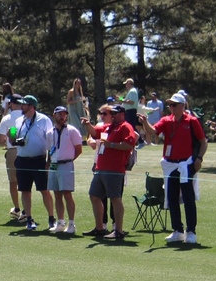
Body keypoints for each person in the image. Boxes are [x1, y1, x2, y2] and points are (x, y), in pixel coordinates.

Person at [141, 92, 206, 243]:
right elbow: (153, 131)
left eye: (174, 105)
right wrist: (144, 122)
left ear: (182, 106)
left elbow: (203, 141)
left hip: (186, 163)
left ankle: (191, 231)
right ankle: (177, 230)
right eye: (170, 105)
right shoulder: (166, 120)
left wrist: (199, 158)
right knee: (172, 197)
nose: (171, 107)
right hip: (170, 164)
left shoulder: (192, 121)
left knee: (188, 198)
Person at [83, 104, 137, 240]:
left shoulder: (125, 126)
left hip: (114, 169)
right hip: (100, 168)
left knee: (115, 199)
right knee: (94, 196)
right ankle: (99, 228)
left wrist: (111, 145)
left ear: (122, 114)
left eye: (115, 113)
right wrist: (87, 124)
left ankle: (118, 230)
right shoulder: (108, 127)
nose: (112, 115)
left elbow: (130, 144)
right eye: (111, 113)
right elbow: (94, 133)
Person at [10, 95, 55, 231]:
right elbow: (13, 138)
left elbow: (51, 141)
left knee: (44, 190)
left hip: (38, 160)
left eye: (24, 105)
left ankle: (51, 218)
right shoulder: (19, 120)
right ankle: (29, 218)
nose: (21, 107)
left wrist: (49, 161)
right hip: (22, 160)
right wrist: (11, 135)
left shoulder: (44, 120)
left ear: (32, 106)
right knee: (25, 190)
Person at [46, 105, 82, 234]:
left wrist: (69, 160)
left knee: (67, 193)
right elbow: (49, 151)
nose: (62, 116)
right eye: (59, 114)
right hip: (54, 165)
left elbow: (79, 149)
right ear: (54, 115)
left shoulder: (72, 130)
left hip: (66, 164)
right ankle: (61, 222)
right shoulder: (50, 133)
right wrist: (49, 164)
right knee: (56, 194)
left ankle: (71, 224)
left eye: (64, 114)